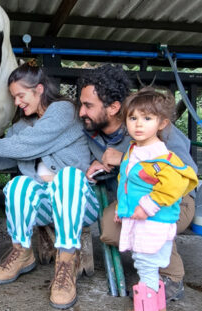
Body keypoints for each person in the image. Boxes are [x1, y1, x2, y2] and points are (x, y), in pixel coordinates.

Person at [0, 63, 99, 309]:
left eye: (21, 95)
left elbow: (26, 145)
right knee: (19, 185)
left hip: (79, 201)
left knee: (68, 177)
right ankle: (22, 250)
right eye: (14, 97)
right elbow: (3, 155)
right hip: (47, 206)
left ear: (39, 89)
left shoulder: (64, 110)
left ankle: (65, 262)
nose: (17, 102)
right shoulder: (21, 127)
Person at [77, 64, 198, 302]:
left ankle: (171, 277)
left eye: (88, 105)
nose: (81, 112)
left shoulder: (157, 129)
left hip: (173, 200)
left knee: (153, 222)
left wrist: (122, 159)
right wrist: (99, 166)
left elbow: (188, 172)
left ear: (113, 108)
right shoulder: (97, 134)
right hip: (134, 201)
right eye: (81, 104)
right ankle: (149, 263)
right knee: (110, 230)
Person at [115, 87, 197, 310]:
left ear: (162, 123)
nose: (138, 124)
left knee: (147, 267)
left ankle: (148, 305)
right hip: (142, 220)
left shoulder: (161, 156)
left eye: (147, 118)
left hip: (153, 221)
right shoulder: (135, 150)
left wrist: (148, 206)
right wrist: (122, 209)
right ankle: (156, 304)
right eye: (133, 118)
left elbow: (175, 184)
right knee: (147, 265)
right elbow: (126, 183)